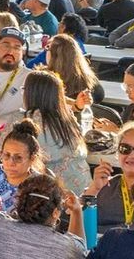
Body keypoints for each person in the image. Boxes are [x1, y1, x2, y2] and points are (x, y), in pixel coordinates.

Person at [22, 69, 90, 197]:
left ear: (30, 94)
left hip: (51, 195)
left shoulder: (25, 120)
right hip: (84, 192)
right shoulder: (68, 118)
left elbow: (1, 154)